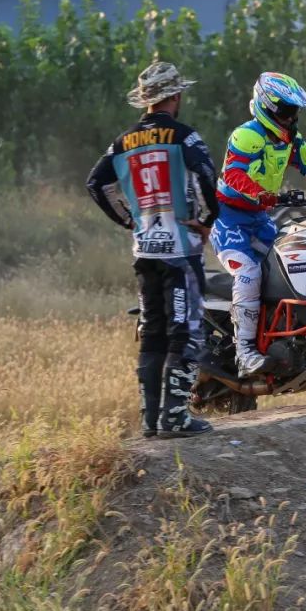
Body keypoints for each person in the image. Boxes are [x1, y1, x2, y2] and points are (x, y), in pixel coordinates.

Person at [86, 62, 217, 438]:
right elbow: (207, 177)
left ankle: (150, 419)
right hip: (181, 251)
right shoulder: (184, 137)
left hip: (145, 251)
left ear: (145, 100)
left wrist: (128, 220)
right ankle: (175, 419)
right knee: (185, 331)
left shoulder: (122, 142)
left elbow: (96, 184)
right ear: (175, 96)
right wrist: (208, 220)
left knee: (153, 332)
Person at [211, 72, 306, 376]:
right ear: (268, 107)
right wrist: (262, 194)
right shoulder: (247, 135)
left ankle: (290, 332)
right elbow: (234, 175)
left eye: (294, 110)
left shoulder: (290, 139)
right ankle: (244, 352)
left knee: (291, 260)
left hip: (259, 219)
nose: (291, 117)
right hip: (229, 220)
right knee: (249, 273)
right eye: (286, 110)